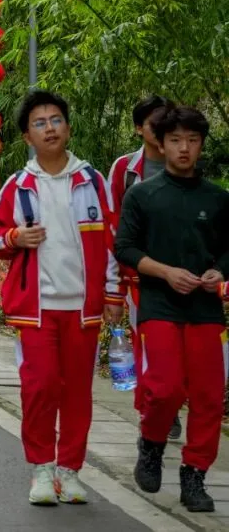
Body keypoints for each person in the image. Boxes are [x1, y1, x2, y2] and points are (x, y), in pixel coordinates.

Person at [0, 90, 123, 506]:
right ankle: (42, 469)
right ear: (27, 136)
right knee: (40, 387)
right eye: (40, 123)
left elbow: (114, 240)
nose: (50, 128)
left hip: (84, 309)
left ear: (68, 127)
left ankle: (71, 471)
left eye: (56, 120)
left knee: (78, 391)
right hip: (36, 309)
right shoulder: (20, 185)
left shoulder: (92, 181)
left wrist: (114, 292)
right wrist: (15, 237)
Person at [115, 105, 229, 513]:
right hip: (159, 303)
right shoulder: (143, 194)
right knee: (164, 388)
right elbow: (125, 247)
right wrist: (164, 272)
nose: (184, 148)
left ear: (201, 145)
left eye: (192, 141)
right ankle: (151, 443)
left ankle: (194, 474)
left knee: (209, 396)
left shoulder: (218, 198)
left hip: (204, 307)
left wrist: (218, 271)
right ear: (160, 145)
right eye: (176, 141)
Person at [107, 96, 178, 433]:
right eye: (154, 122)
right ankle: (152, 406)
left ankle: (167, 401)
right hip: (138, 273)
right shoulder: (124, 170)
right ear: (138, 128)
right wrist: (114, 282)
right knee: (147, 339)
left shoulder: (183, 161)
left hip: (183, 271)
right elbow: (112, 223)